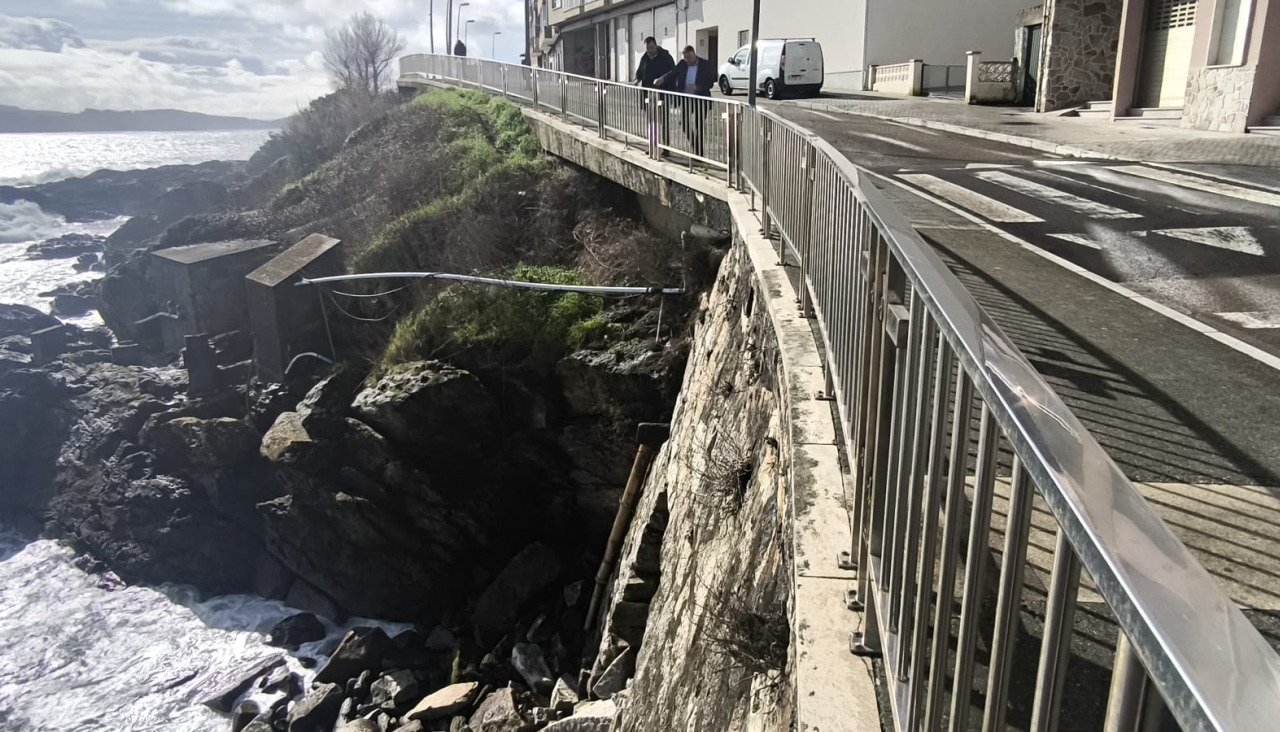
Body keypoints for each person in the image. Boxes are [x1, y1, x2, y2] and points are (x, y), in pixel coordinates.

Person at [657, 46, 716, 157]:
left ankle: (699, 154)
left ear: (694, 54)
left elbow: (710, 82)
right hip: (686, 98)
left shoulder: (705, 64)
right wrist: (662, 79)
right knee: (684, 123)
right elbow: (672, 73)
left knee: (699, 125)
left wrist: (697, 87)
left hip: (700, 99)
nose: (687, 60)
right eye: (685, 57)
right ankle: (696, 145)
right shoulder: (682, 64)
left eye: (689, 57)